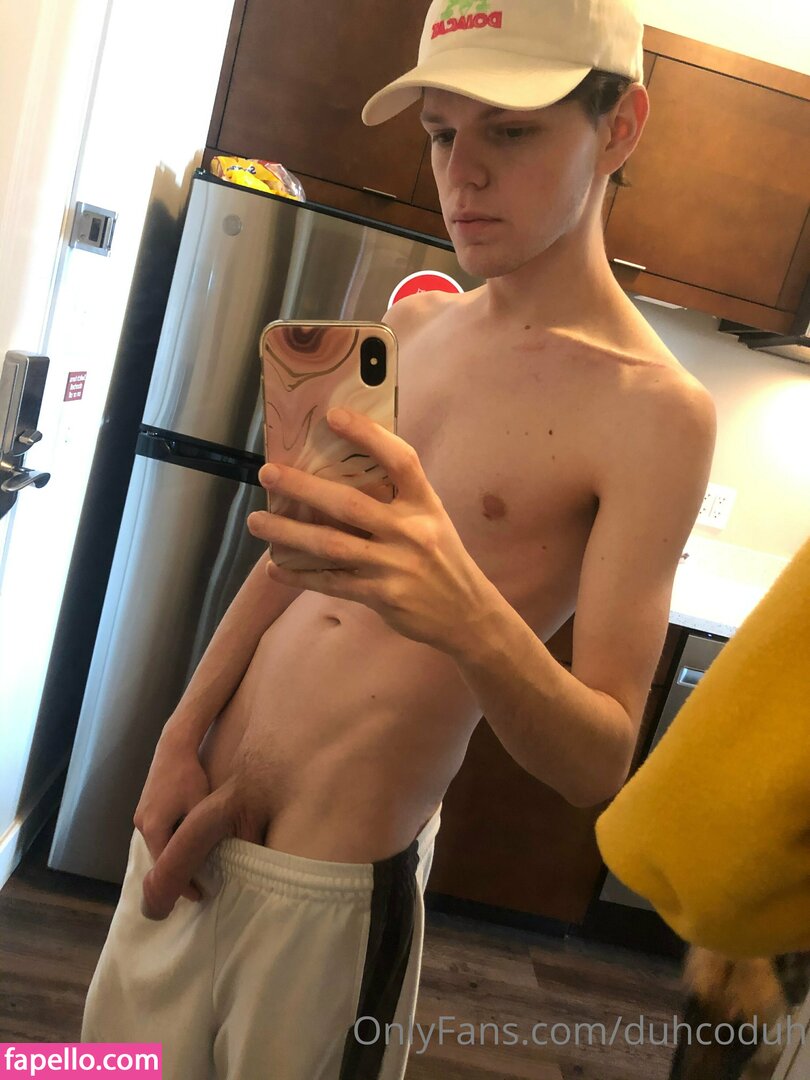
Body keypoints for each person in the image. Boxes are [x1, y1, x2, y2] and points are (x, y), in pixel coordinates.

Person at [81, 0, 718, 1077]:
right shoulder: (415, 328)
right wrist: (175, 737)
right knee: (103, 1067)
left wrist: (463, 608)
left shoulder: (656, 414)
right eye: (440, 132)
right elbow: (292, 561)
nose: (461, 174)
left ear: (620, 128)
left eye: (509, 130)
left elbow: (598, 760)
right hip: (191, 820)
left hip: (330, 896)